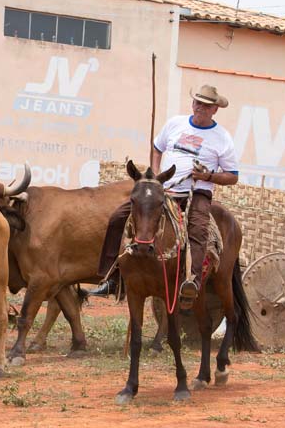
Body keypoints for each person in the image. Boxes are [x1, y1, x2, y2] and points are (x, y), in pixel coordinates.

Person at [90, 84, 239, 310]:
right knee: (119, 216)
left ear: (215, 110)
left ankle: (192, 282)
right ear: (193, 103)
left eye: (206, 105)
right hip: (163, 190)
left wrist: (208, 175)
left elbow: (233, 176)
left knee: (198, 229)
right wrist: (154, 176)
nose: (200, 108)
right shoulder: (175, 123)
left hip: (196, 192)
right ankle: (112, 275)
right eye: (197, 103)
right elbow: (157, 148)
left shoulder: (222, 138)